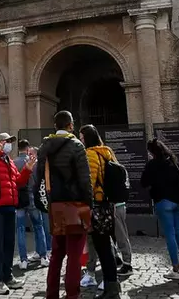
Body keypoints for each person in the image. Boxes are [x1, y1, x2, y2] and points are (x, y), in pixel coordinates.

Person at [39, 110, 92, 299]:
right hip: (75, 205)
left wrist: (44, 202)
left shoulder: (45, 146)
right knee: (74, 256)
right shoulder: (77, 145)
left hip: (55, 206)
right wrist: (89, 204)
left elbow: (38, 177)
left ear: (55, 126)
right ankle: (72, 295)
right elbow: (85, 180)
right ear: (71, 125)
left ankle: (51, 294)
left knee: (56, 254)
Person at [0, 132, 35, 295]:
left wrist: (27, 169)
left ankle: (8, 276)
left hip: (10, 206)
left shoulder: (9, 161)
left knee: (9, 243)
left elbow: (17, 181)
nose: (8, 144)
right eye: (5, 141)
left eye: (10, 141)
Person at [141, 138, 179, 280]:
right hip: (177, 201)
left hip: (163, 201)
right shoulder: (173, 162)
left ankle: (176, 269)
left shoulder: (152, 164)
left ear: (151, 152)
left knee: (170, 235)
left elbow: (143, 182)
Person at [78, 125, 121, 299]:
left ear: (87, 138)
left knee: (102, 248)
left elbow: (89, 184)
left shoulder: (90, 154)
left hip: (96, 207)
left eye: (81, 138)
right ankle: (112, 284)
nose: (80, 141)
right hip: (108, 205)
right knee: (107, 247)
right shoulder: (107, 152)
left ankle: (111, 289)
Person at [14, 140, 50, 269]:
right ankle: (43, 256)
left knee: (20, 229)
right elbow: (38, 180)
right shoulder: (34, 162)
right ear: (28, 148)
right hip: (33, 198)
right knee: (39, 227)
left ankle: (23, 259)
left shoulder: (14, 162)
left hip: (20, 199)